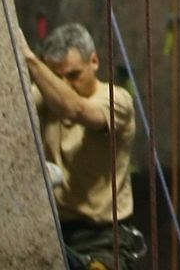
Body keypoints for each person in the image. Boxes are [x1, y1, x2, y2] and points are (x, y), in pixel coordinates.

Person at [23, 23, 145, 269]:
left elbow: (76, 109)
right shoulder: (49, 99)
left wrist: (28, 57)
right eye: (56, 77)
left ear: (94, 62)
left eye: (74, 75)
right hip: (55, 233)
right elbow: (12, 103)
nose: (65, 85)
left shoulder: (116, 100)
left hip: (104, 239)